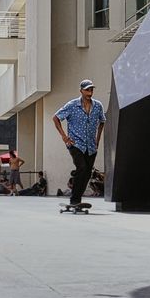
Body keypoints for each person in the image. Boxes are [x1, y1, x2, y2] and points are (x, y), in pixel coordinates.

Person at [52, 79, 106, 207]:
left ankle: (77, 199)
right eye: (87, 89)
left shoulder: (98, 105)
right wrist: (64, 136)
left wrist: (98, 139)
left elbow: (102, 121)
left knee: (87, 173)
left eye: (91, 89)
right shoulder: (72, 105)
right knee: (81, 168)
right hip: (75, 144)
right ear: (81, 90)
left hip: (91, 146)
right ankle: (74, 200)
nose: (90, 91)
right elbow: (56, 117)